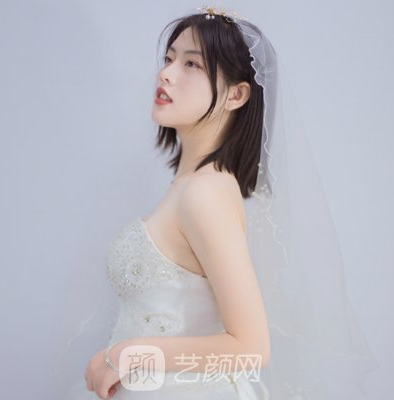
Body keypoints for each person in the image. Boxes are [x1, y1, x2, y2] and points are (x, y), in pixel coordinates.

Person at [55, 6, 378, 400]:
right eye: (169, 58)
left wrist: (126, 354)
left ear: (236, 94)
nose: (166, 73)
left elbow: (251, 347)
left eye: (192, 64)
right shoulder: (191, 185)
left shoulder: (205, 193)